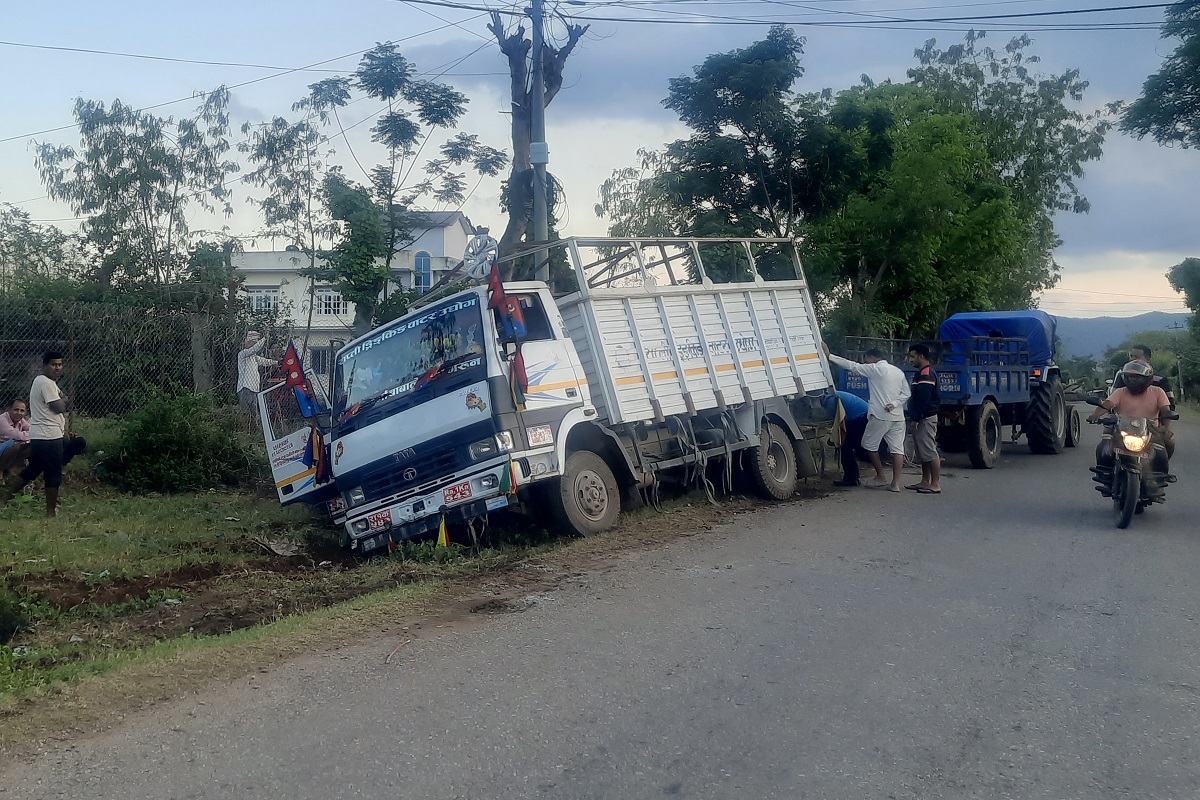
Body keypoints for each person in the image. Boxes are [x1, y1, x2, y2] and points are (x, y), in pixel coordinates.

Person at [0, 351, 88, 516]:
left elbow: (64, 403)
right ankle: (50, 512)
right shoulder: (45, 382)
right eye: (53, 364)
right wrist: (65, 401)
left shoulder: (47, 383)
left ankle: (5, 499)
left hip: (40, 436)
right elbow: (60, 407)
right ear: (45, 365)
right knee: (53, 473)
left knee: (34, 469)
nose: (57, 368)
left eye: (60, 364)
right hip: (49, 436)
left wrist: (64, 401)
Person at [824, 342, 910, 492]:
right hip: (898, 416)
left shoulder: (875, 369)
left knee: (868, 445)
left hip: (880, 415)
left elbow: (852, 365)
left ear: (871, 357)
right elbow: (907, 393)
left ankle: (881, 476)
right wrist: (895, 403)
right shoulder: (898, 372)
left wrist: (829, 356)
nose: (865, 363)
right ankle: (895, 484)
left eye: (866, 359)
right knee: (897, 449)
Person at [1089, 360, 1173, 482]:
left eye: (1137, 377)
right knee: (1104, 445)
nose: (1132, 380)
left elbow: (1166, 411)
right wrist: (1095, 415)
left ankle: (1160, 476)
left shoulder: (1158, 392)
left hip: (1150, 430)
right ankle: (1104, 473)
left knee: (1168, 444)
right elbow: (1107, 404)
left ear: (1147, 378)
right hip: (1120, 427)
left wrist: (1167, 429)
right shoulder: (1120, 391)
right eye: (1129, 377)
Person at [905, 344, 942, 494]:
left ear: (921, 356)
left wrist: (916, 418)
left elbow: (923, 400)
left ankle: (935, 483)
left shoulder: (926, 374)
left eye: (913, 356)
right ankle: (925, 481)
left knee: (929, 450)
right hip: (921, 418)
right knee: (922, 452)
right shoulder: (921, 373)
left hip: (925, 418)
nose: (911, 359)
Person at [237, 330, 276, 414]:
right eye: (252, 343)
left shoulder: (255, 357)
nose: (254, 345)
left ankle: (252, 427)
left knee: (254, 413)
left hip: (254, 389)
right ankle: (245, 426)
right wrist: (265, 338)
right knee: (246, 414)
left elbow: (265, 361)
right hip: (245, 387)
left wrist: (276, 362)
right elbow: (254, 349)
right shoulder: (242, 354)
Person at [0, 398, 32, 474]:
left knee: (32, 445)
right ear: (9, 409)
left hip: (8, 449)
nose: (19, 413)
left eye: (22, 411)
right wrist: (29, 435)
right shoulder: (2, 420)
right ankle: (0, 470)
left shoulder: (21, 419)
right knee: (17, 444)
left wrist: (28, 435)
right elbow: (17, 435)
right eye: (16, 409)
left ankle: (12, 468)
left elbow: (33, 430)